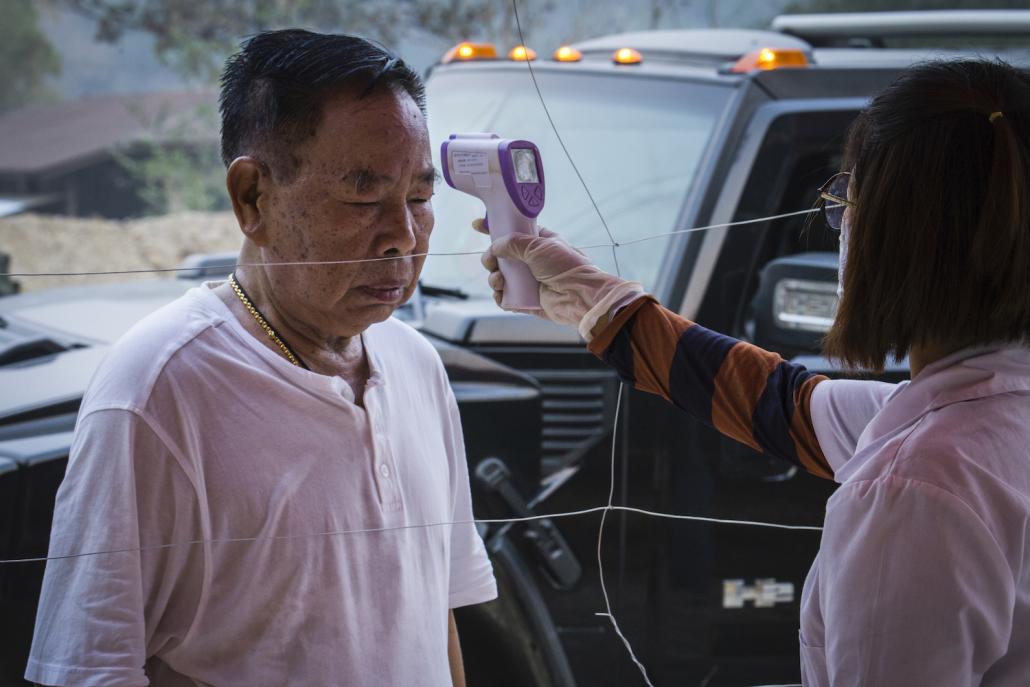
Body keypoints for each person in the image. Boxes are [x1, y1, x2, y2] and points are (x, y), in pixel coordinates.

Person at [481, 59, 1030, 685]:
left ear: (891, 236)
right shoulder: (988, 418)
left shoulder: (913, 490)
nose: (841, 223)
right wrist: (600, 305)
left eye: (845, 200)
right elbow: (781, 404)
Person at [26, 29, 495, 687]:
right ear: (253, 197)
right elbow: (88, 669)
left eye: (419, 197)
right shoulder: (157, 390)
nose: (403, 236)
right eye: (363, 194)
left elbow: (432, 616)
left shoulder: (417, 365)